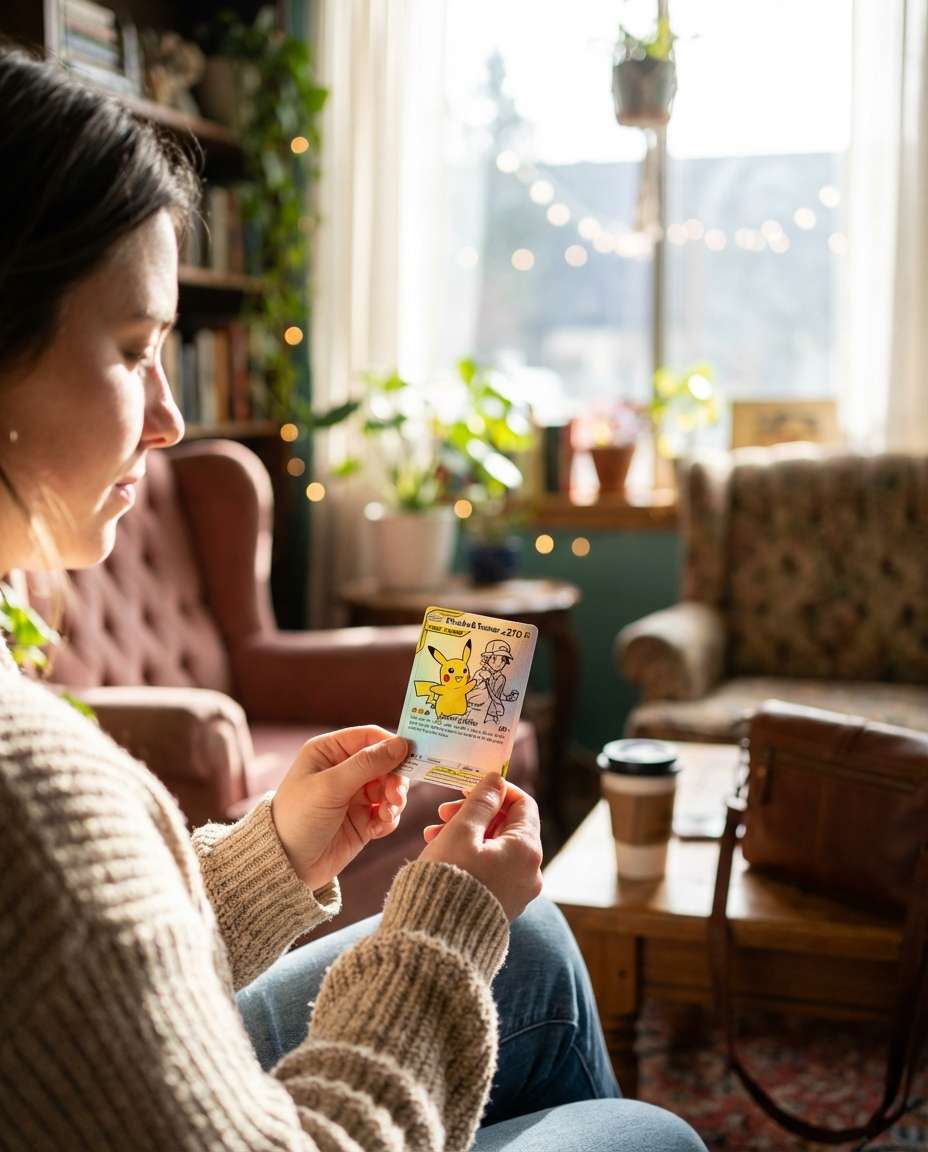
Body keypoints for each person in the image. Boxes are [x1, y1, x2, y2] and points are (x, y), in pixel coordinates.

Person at [0, 46, 706, 1152]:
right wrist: (438, 932)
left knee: (543, 940)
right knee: (646, 1134)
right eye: (134, 348)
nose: (171, 418)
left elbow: (66, 985)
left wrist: (276, 851)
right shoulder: (31, 788)